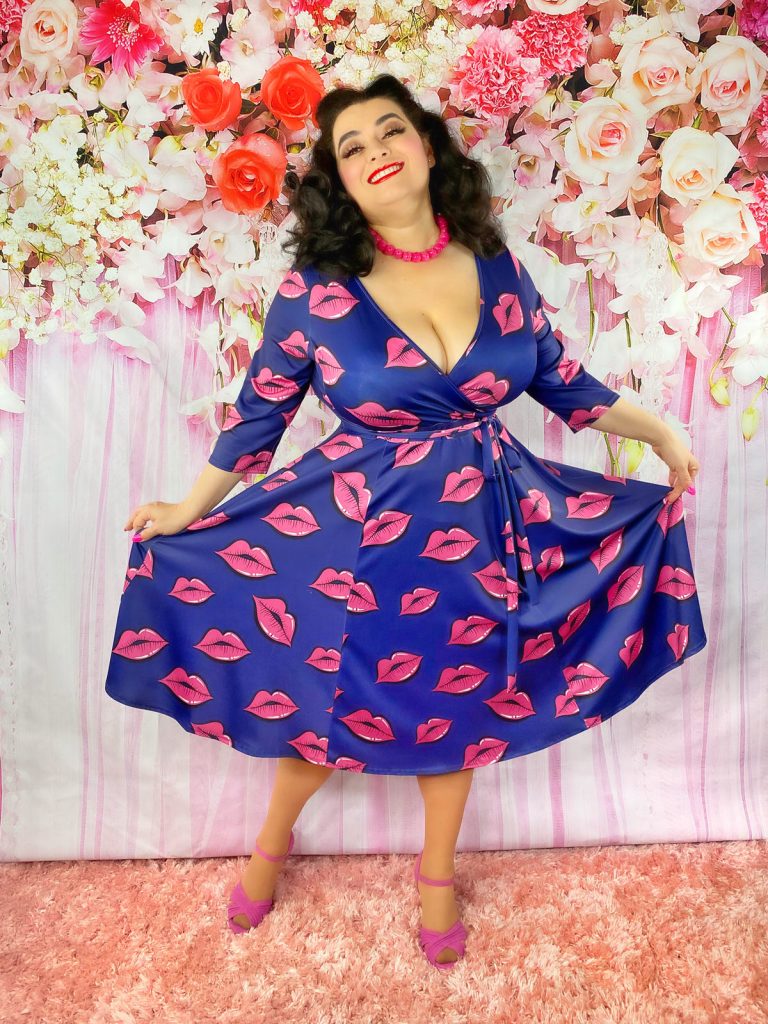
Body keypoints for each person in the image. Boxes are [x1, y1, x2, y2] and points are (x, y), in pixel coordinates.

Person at [108, 74, 705, 969]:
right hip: (359, 537)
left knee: (459, 702)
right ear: (341, 183)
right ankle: (270, 845)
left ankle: (436, 877)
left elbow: (561, 382)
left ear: (427, 147)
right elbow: (259, 419)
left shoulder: (498, 266)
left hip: (486, 527)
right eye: (351, 148)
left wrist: (658, 430)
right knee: (326, 709)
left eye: (391, 131)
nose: (375, 151)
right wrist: (187, 509)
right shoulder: (315, 293)